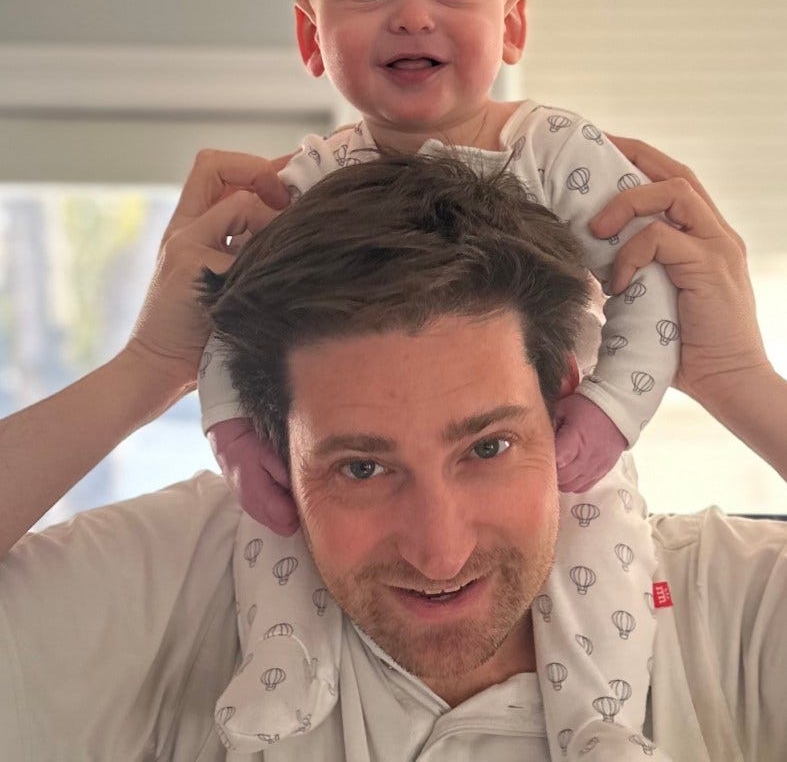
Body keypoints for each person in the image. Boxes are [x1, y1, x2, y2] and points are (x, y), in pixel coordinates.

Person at [0, 142, 784, 762]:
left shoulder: (723, 608)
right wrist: (145, 370)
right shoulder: (181, 585)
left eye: (486, 447)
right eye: (361, 468)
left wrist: (739, 382)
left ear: (562, 406)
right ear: (273, 448)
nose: (439, 553)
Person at [198, 0, 680, 760]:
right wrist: (230, 429)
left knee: (601, 538)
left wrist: (612, 411)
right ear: (310, 37)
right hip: (350, 459)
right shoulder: (303, 182)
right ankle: (283, 667)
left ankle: (600, 720)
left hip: (555, 431)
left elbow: (647, 286)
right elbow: (227, 314)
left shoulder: (559, 153)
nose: (412, 15)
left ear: (511, 24)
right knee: (275, 521)